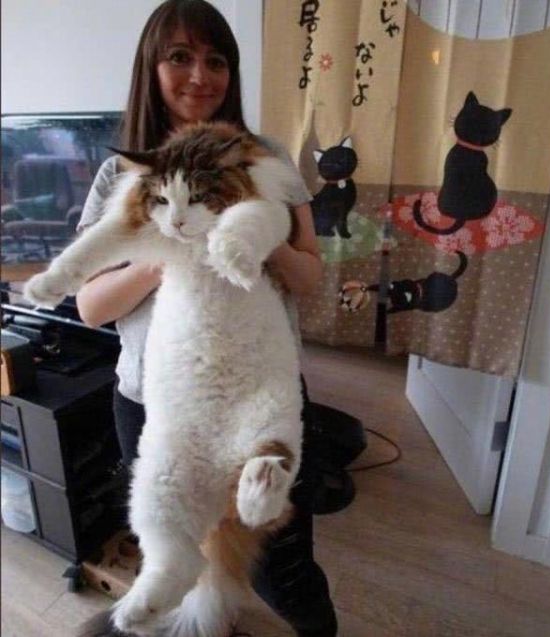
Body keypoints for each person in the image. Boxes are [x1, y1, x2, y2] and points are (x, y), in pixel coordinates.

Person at [75, 1, 337, 636]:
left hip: (257, 395)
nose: (200, 75)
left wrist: (258, 238)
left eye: (216, 60)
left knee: (282, 567)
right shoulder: (120, 173)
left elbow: (310, 278)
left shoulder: (268, 160)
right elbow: (90, 306)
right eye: (179, 57)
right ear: (151, 68)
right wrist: (167, 252)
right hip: (158, 402)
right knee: (176, 548)